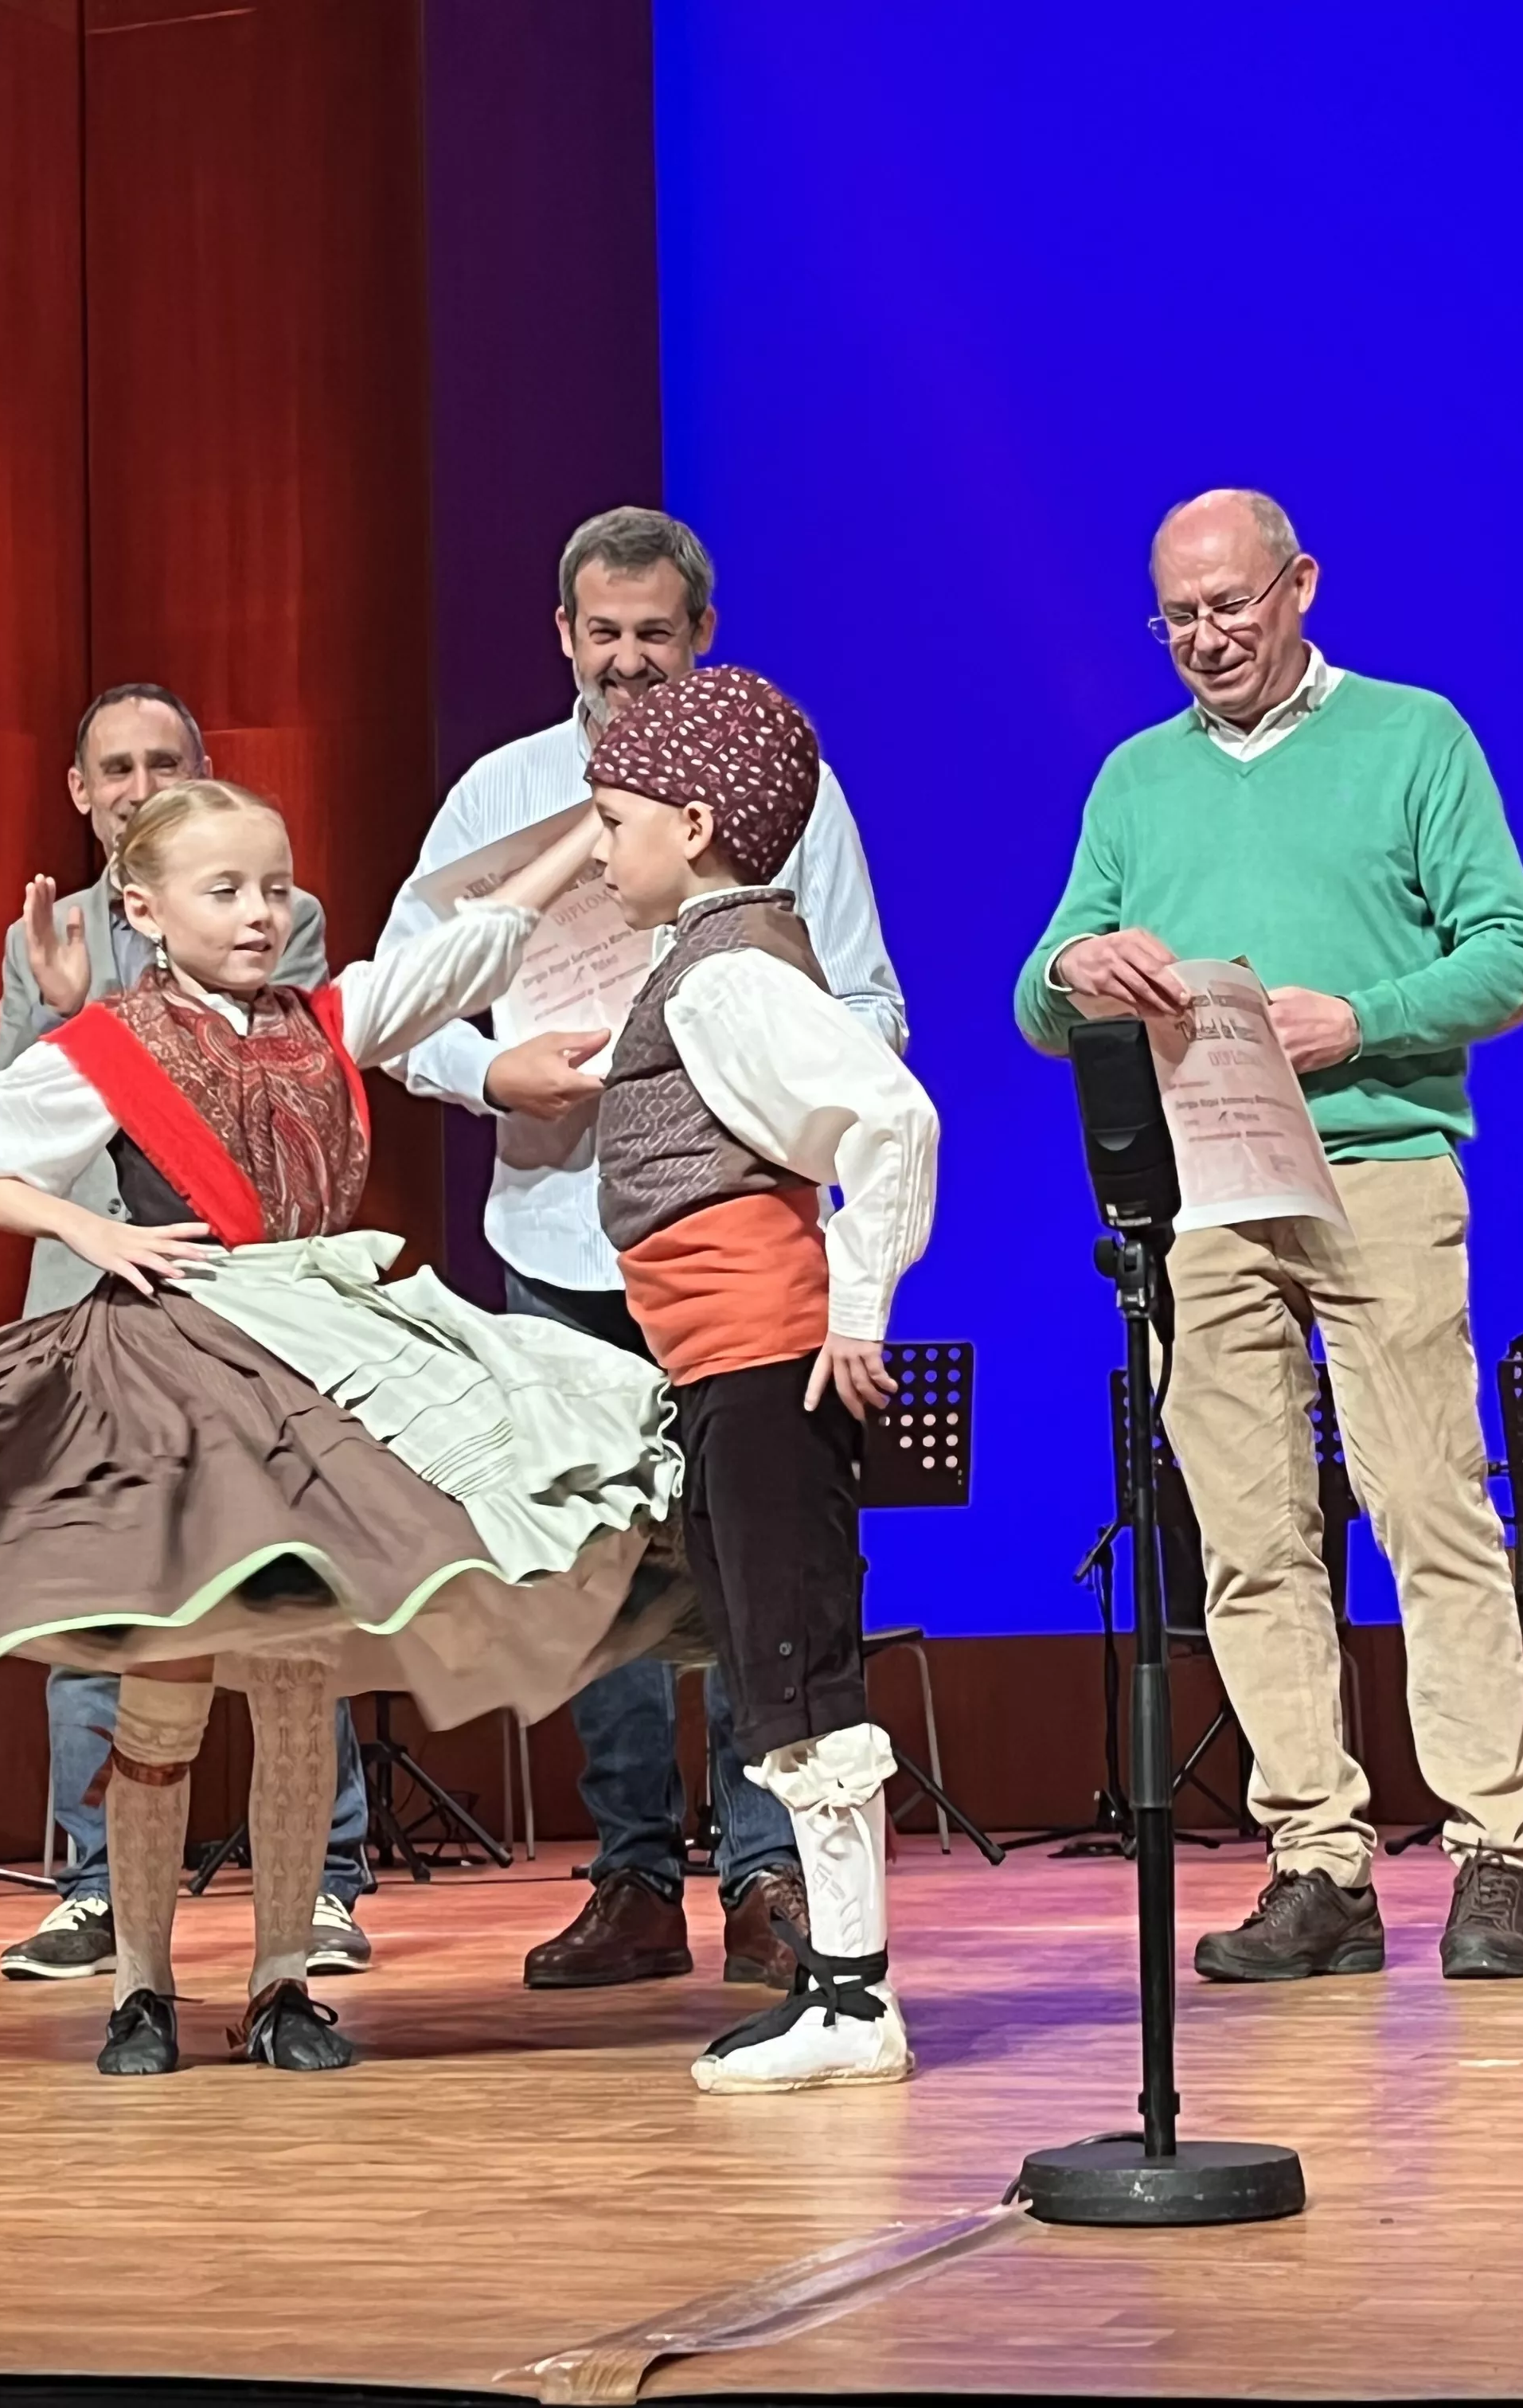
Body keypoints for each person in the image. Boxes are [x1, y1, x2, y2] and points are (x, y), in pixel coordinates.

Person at [0, 784, 685, 2074]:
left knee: (299, 1689)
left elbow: (473, 941)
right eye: (224, 889)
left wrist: (589, 821)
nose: (258, 912)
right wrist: (92, 1227)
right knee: (166, 1689)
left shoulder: (328, 1024)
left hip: (314, 1380)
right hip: (177, 1383)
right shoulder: (113, 1046)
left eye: (275, 888)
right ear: (144, 907)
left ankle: (286, 1979)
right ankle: (140, 1982)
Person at [1016, 489, 1523, 1981]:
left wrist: (1362, 1018)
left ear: (1300, 585)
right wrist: (1079, 962)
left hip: (1376, 1166)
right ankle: (1316, 1856)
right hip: (1208, 1187)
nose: (1204, 639)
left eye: (1229, 607)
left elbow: (1519, 953)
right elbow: (1035, 994)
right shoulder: (1136, 779)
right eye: (1177, 617)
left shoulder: (1411, 737)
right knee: (1250, 1539)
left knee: (1429, 1509)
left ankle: (1492, 1848)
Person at [381, 510, 907, 1996]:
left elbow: (869, 1007)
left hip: (732, 1241)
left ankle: (764, 1873)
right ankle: (628, 1873)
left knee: (758, 1574)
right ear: (561, 632)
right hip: (561, 1233)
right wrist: (501, 1075)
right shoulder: (502, 795)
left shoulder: (779, 793)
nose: (625, 657)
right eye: (600, 632)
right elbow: (402, 1000)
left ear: (700, 634)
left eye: (653, 633)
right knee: (593, 1568)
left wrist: (721, 1060)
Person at [582, 666, 938, 2091]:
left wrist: (857, 1304)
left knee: (797, 1674)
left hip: (766, 1361)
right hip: (718, 1363)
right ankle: (842, 1996)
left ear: (696, 819)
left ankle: (854, 2000)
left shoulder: (730, 968)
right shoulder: (708, 951)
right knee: (766, 1669)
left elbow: (888, 1111)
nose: (598, 847)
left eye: (613, 819)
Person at [0, 683, 376, 1987]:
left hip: (251, 1296)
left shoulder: (271, 911)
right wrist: (58, 1004)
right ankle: (105, 1899)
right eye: (116, 766)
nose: (140, 782)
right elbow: (11, 1121)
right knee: (116, 1619)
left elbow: (289, 1068)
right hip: (104, 1298)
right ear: (81, 791)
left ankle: (313, 1898)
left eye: (166, 761)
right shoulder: (46, 934)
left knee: (289, 1608)